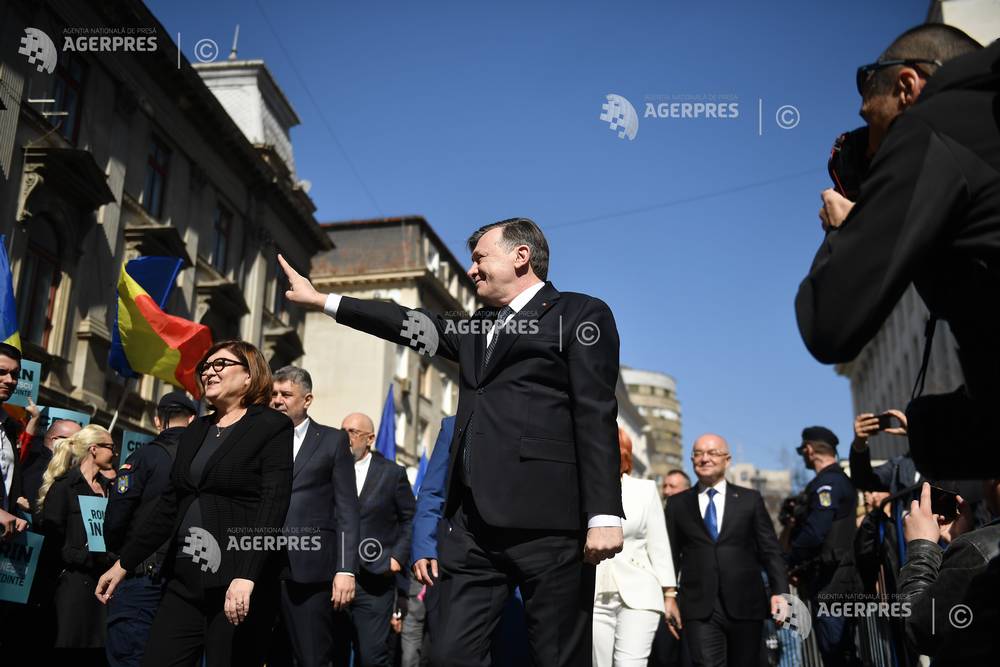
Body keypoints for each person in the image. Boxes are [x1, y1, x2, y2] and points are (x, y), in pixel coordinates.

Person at [279, 216, 624, 667]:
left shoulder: (579, 315)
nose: (472, 270)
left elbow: (596, 414)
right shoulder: (477, 328)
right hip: (472, 528)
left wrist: (603, 511)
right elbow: (405, 321)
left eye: (480, 257)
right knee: (446, 655)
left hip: (550, 525)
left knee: (557, 657)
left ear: (521, 256)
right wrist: (325, 301)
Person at [794, 26, 996, 474]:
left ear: (907, 87)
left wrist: (845, 232)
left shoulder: (935, 124)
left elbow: (828, 324)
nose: (872, 148)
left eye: (872, 122)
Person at [95, 340, 293, 666]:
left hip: (238, 581)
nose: (209, 371)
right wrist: (123, 563)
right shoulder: (195, 430)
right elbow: (169, 504)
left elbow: (273, 502)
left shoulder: (271, 426)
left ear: (249, 375)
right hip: (184, 578)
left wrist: (246, 577)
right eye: (205, 367)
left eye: (220, 364)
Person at [665, 434, 787, 667]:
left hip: (746, 604)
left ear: (727, 460)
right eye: (698, 453)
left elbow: (770, 550)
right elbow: (669, 554)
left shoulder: (749, 500)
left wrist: (780, 592)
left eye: (712, 453)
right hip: (699, 607)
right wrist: (668, 596)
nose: (705, 458)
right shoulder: (678, 504)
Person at [270, 365, 361, 667]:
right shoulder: (259, 438)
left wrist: (346, 569)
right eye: (273, 394)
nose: (277, 400)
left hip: (309, 574)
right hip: (261, 568)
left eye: (285, 394)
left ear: (307, 400)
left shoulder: (332, 441)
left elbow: (347, 509)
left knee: (312, 658)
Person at [103, 390, 197, 667]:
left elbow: (117, 517)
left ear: (158, 420)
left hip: (141, 574)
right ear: (192, 420)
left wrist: (120, 556)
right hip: (187, 576)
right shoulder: (206, 459)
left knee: (129, 654)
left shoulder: (143, 458)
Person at [332, 412, 415, 667]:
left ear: (370, 439)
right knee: (332, 655)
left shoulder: (391, 474)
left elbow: (411, 519)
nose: (345, 437)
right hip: (332, 578)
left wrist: (397, 558)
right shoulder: (328, 468)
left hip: (375, 580)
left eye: (353, 432)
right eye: (342, 430)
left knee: (371, 657)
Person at [593, 431, 677, 667]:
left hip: (640, 593)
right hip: (593, 594)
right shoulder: (582, 488)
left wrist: (669, 595)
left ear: (623, 455)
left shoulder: (645, 490)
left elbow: (659, 546)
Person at [900, 481, 1000, 664]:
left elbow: (920, 628)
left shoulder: (977, 552)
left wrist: (921, 546)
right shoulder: (977, 550)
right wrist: (961, 543)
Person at [36, 424, 117, 649]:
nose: (115, 453)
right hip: (71, 585)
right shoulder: (65, 487)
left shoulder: (108, 489)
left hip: (100, 584)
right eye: (110, 447)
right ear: (94, 449)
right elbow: (52, 541)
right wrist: (81, 556)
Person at [788, 427, 860, 667]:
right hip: (831, 577)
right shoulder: (833, 481)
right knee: (839, 651)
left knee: (836, 652)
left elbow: (815, 532)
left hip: (832, 580)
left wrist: (787, 560)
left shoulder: (828, 483)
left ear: (809, 449)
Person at [649, 468, 691, 667]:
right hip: (662, 601)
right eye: (664, 486)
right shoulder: (656, 520)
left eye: (672, 486)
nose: (666, 491)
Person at [21, 417, 82, 512]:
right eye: (75, 442)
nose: (81, 447)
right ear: (56, 440)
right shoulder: (30, 463)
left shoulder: (75, 471)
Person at [0, 342, 27, 538]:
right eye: (1, 372)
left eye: (15, 374)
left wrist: (13, 511)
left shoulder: (10, 427)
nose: (10, 380)